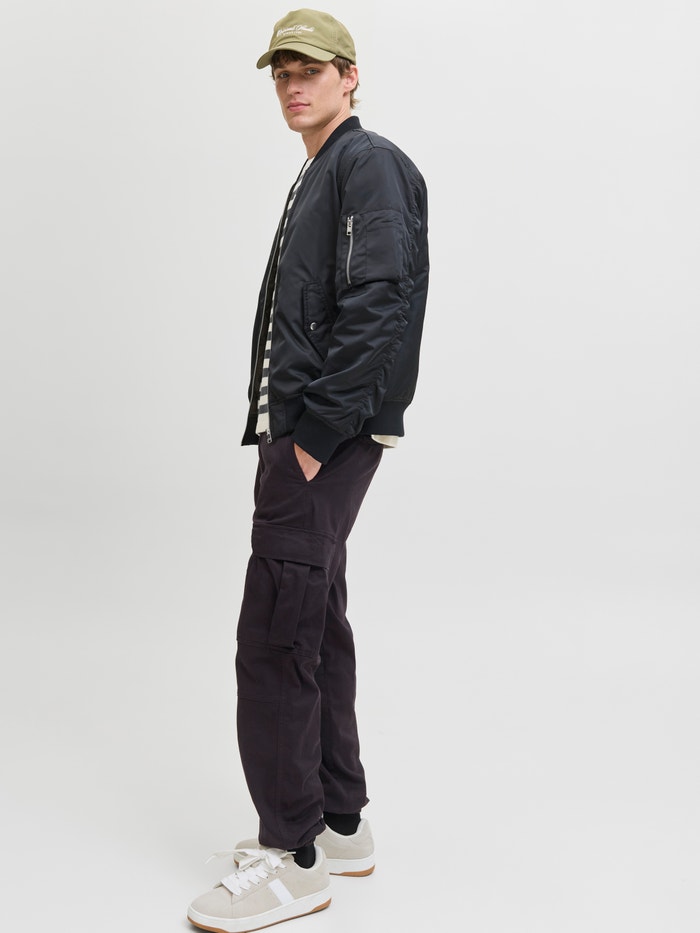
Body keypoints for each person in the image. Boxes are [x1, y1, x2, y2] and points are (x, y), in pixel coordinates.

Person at [187, 8, 429, 932]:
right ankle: (338, 823)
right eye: (283, 72)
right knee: (314, 616)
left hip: (320, 438)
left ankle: (291, 855)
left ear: (350, 76)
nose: (294, 85)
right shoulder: (327, 168)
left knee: (275, 631)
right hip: (310, 434)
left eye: (312, 70)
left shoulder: (367, 163)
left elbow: (382, 300)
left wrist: (315, 434)